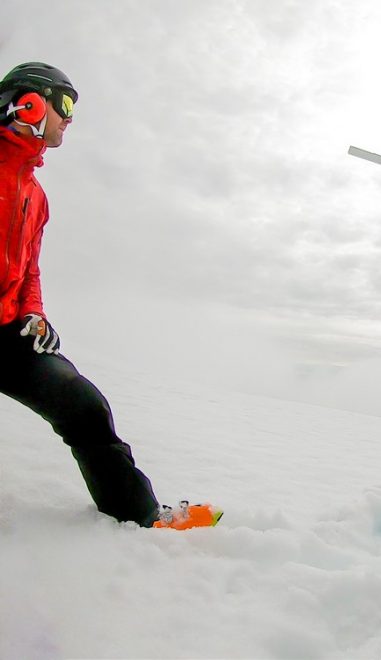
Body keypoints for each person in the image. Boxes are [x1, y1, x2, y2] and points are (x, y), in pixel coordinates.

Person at [0, 62, 220, 530]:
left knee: (84, 406)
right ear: (29, 103)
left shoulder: (35, 194)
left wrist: (33, 314)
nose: (70, 118)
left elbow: (29, 269)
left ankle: (140, 517)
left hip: (7, 334)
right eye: (64, 103)